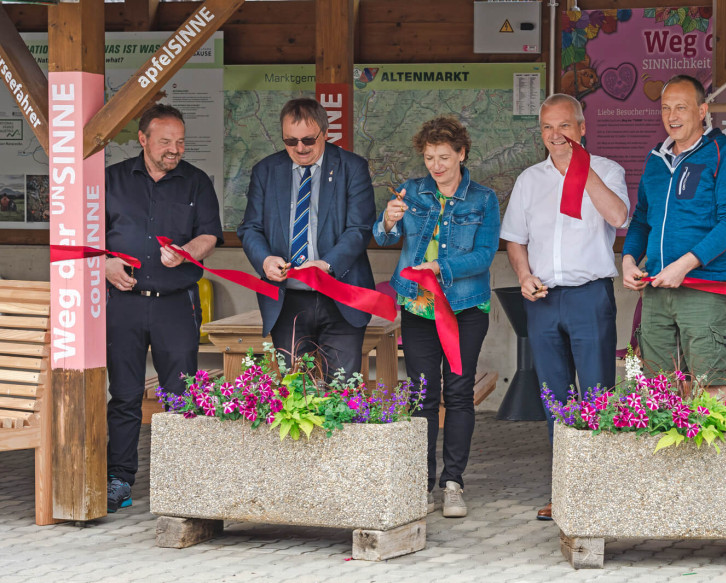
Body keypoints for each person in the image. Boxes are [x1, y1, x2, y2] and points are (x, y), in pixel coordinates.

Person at [500, 93, 629, 521]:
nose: (556, 136)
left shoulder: (608, 170)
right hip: (541, 300)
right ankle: (567, 491)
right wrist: (522, 275)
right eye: (548, 128)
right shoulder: (529, 180)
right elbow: (514, 238)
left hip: (588, 297)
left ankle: (602, 492)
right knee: (555, 398)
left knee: (596, 394)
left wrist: (583, 169)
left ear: (582, 127)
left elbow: (619, 218)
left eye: (564, 127)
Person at [373, 116, 499, 518]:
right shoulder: (412, 191)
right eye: (429, 157)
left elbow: (484, 255)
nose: (436, 165)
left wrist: (440, 269)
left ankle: (453, 483)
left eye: (444, 157)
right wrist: (389, 221)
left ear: (462, 154)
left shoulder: (483, 198)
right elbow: (384, 238)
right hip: (418, 307)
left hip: (464, 307)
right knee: (423, 394)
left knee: (459, 394)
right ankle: (422, 482)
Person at [104, 104, 223, 513]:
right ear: (143, 139)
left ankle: (179, 481)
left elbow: (210, 233)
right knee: (123, 394)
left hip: (177, 304)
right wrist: (104, 264)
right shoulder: (112, 180)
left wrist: (190, 250)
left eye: (180, 141)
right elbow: (88, 236)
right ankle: (119, 480)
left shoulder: (196, 182)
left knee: (181, 395)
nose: (175, 149)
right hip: (125, 303)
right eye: (166, 141)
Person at [621, 74, 726, 397]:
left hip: (703, 288)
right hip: (655, 291)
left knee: (709, 389)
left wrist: (685, 265)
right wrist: (627, 260)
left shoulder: (725, 154)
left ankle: (709, 450)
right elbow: (641, 219)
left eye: (681, 107)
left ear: (702, 110)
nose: (672, 116)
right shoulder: (656, 159)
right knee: (655, 389)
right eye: (666, 108)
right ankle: (661, 449)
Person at [238, 98, 376, 377]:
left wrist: (325, 265)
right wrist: (264, 260)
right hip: (286, 299)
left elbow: (359, 229)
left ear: (325, 133)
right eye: (290, 141)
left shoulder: (352, 167)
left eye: (308, 140)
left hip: (340, 293)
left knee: (342, 393)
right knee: (294, 395)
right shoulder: (265, 171)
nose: (300, 148)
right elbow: (250, 228)